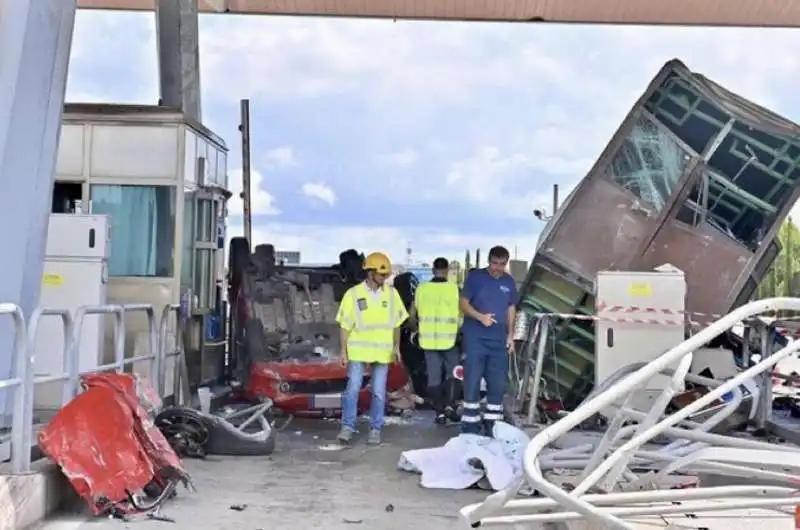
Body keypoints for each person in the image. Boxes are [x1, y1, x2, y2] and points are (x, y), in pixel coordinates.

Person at [335, 251, 408, 445]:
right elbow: (344, 325)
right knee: (352, 389)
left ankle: (375, 429)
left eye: (386, 275)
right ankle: (347, 427)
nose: (385, 278)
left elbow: (396, 324)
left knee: (378, 392)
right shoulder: (353, 295)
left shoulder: (392, 295)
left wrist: (396, 348)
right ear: (370, 272)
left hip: (382, 352)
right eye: (382, 274)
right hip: (358, 351)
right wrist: (343, 351)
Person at [458, 245, 517, 435]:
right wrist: (480, 317)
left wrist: (511, 335)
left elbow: (511, 308)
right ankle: (470, 425)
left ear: (506, 264)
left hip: (498, 340)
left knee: (497, 382)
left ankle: (493, 425)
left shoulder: (509, 282)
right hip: (476, 338)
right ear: (488, 261)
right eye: (494, 263)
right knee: (473, 380)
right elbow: (463, 304)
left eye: (501, 264)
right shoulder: (476, 278)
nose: (497, 268)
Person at [410, 257, 461, 424]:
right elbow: (462, 313)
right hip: (450, 340)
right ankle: (450, 407)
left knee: (433, 376)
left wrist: (416, 330)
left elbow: (412, 315)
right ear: (446, 271)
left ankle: (439, 413)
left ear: (433, 270)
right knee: (452, 373)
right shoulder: (454, 289)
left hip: (429, 341)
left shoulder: (421, 289)